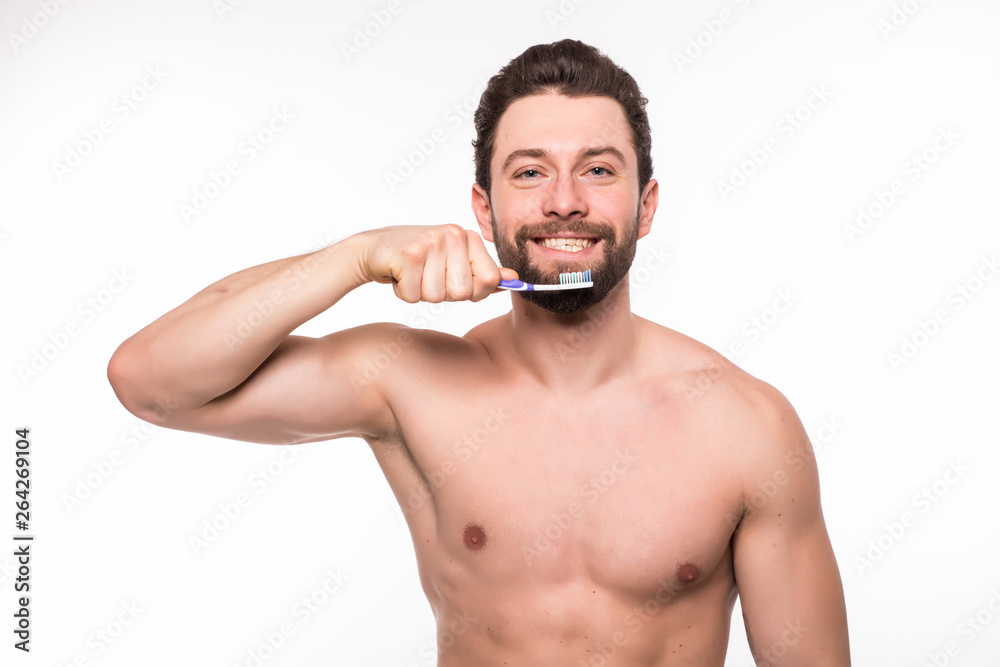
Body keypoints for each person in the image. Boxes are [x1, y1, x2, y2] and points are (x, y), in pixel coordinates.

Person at [108, 39, 850, 666]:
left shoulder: (747, 427)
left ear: (645, 205)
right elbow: (149, 381)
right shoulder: (406, 385)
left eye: (598, 169)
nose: (564, 200)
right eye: (530, 172)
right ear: (484, 210)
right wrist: (357, 257)